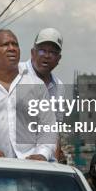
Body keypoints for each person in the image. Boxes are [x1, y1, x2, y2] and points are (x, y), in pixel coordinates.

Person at [0, 29, 55, 161]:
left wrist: (42, 154)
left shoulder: (35, 84)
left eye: (15, 44)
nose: (12, 48)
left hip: (30, 166)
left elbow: (48, 126)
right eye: (5, 45)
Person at [21, 28, 65, 162]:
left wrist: (55, 164)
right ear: (33, 53)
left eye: (52, 52)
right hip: (15, 158)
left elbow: (54, 130)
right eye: (42, 50)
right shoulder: (17, 74)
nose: (47, 55)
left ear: (58, 59)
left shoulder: (59, 87)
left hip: (44, 161)